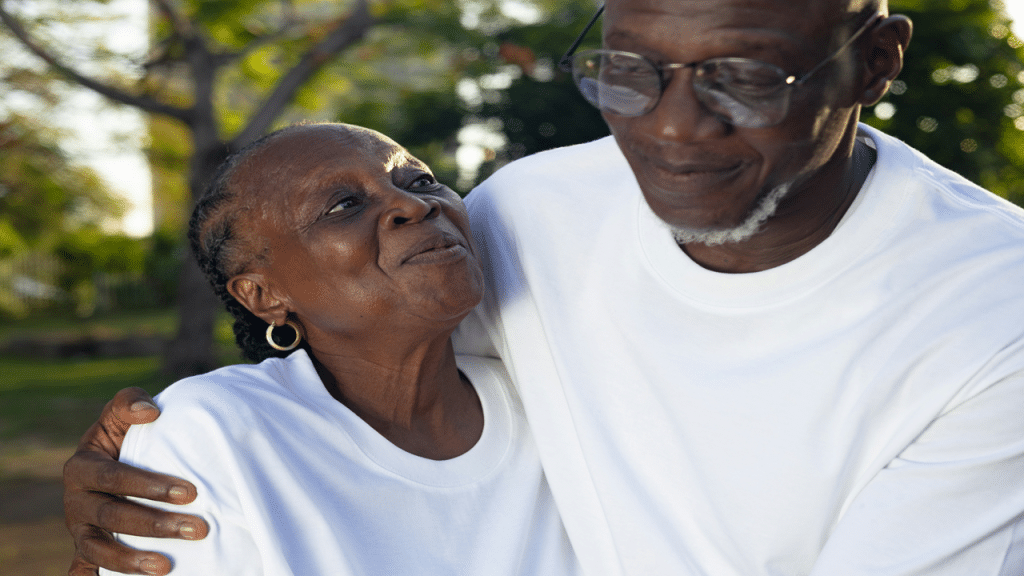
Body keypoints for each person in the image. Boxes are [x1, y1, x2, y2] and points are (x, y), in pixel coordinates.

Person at [65, 0, 1024, 574]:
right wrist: (120, 491)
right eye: (630, 71)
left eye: (745, 76)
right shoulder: (538, 209)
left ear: (878, 61)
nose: (676, 128)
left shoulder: (991, 309)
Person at [86, 122, 580, 575]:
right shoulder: (216, 431)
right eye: (343, 206)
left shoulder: (553, 399)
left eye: (420, 181)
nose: (415, 206)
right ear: (263, 295)